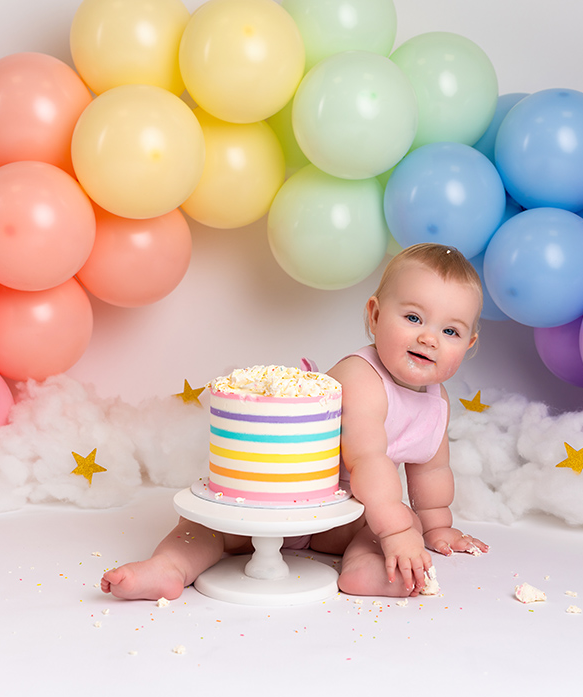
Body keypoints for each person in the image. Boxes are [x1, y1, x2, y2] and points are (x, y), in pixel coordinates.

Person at [102, 243, 489, 600]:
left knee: (391, 527)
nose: (429, 338)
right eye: (413, 317)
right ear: (374, 315)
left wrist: (435, 527)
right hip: (276, 505)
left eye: (450, 330)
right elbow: (368, 459)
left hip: (342, 518)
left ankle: (366, 570)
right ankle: (167, 568)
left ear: (469, 343)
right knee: (206, 528)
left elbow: (432, 472)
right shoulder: (361, 378)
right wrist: (400, 531)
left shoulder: (437, 403)